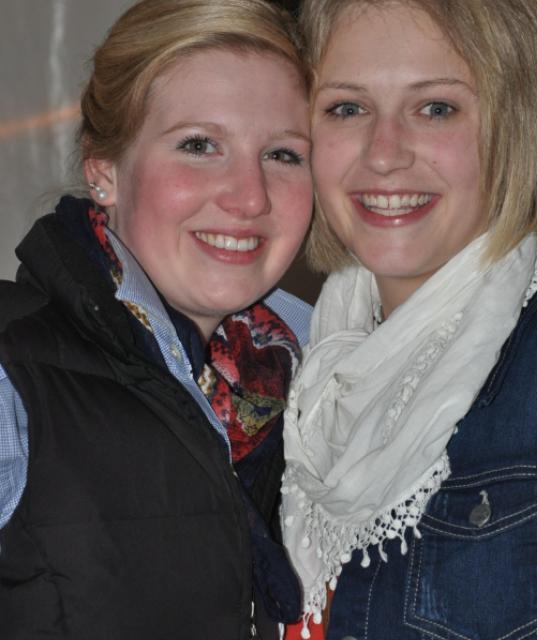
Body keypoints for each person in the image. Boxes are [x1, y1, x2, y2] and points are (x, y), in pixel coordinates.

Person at [282, 1, 537, 639]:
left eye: (435, 108)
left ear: (513, 127)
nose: (384, 153)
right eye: (348, 107)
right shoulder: (294, 371)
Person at [0, 0, 313, 637]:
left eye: (283, 154)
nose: (249, 196)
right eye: (199, 145)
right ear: (104, 169)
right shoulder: (11, 378)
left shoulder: (330, 388)